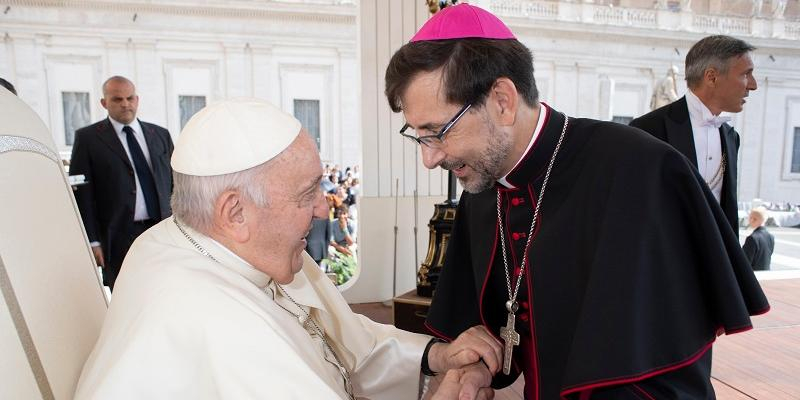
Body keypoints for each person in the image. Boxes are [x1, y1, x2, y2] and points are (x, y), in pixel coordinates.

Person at [384, 4, 768, 399]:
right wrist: (475, 364)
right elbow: (489, 327)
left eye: (438, 132)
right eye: (418, 136)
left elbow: (664, 362)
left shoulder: (639, 170)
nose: (429, 159)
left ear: (502, 100)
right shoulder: (482, 187)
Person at [75, 98, 501, 400]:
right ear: (235, 212)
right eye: (307, 193)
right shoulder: (216, 323)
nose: (323, 209)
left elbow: (344, 339)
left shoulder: (202, 240)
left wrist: (437, 355)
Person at [631, 35, 757, 237]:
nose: (753, 85)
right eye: (745, 74)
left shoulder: (732, 138)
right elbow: (634, 208)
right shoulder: (647, 129)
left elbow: (728, 214)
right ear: (711, 77)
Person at [69, 76, 174, 291]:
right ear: (104, 103)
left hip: (161, 230)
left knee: (165, 290)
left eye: (130, 98)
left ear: (137, 99)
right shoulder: (88, 139)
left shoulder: (160, 135)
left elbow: (176, 184)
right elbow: (83, 194)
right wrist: (92, 241)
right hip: (116, 235)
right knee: (126, 294)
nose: (125, 104)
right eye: (117, 99)